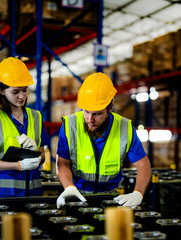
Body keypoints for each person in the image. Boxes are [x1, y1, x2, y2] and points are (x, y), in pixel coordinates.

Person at [56, 72, 151, 208]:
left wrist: (138, 193)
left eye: (97, 114)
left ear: (110, 108)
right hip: (77, 196)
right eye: (86, 112)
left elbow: (143, 166)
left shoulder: (125, 128)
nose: (90, 119)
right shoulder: (70, 126)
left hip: (113, 198)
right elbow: (62, 164)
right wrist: (69, 187)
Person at [0, 57, 49, 198]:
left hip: (32, 194)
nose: (22, 96)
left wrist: (35, 155)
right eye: (15, 92)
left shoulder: (36, 117)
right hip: (1, 196)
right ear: (2, 91)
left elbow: (43, 156)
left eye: (25, 90)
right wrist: (18, 166)